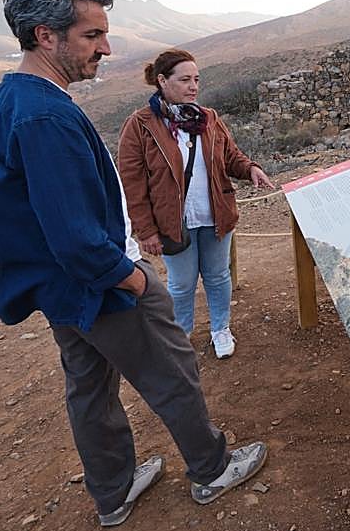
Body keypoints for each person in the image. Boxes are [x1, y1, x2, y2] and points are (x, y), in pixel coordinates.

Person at [0, 0, 266, 528]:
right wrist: (130, 277)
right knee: (171, 366)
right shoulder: (45, 116)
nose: (106, 48)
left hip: (58, 287)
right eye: (92, 35)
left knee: (90, 385)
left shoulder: (4, 102)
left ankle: (114, 490)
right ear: (45, 36)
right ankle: (211, 468)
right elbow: (73, 233)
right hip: (95, 280)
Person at [117, 49, 275, 357]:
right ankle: (181, 335)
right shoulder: (140, 125)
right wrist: (145, 230)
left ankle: (220, 329)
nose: (194, 86)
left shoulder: (209, 119)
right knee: (181, 283)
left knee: (218, 276)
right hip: (173, 221)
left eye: (197, 79)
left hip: (215, 214)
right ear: (162, 81)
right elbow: (132, 184)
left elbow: (231, 157)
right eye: (185, 79)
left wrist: (250, 168)